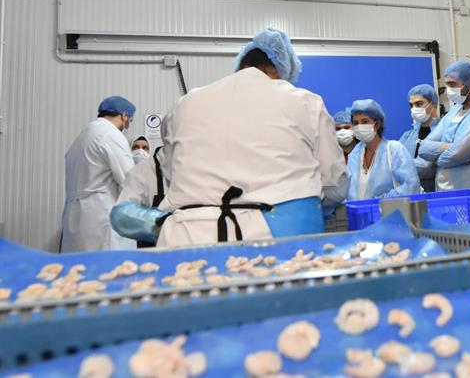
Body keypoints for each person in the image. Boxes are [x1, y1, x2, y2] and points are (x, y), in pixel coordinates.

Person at [111, 28, 349, 247]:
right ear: (279, 71)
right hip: (277, 238)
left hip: (188, 237)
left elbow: (172, 172)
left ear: (241, 65)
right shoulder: (305, 101)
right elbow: (335, 186)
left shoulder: (185, 104)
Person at [60, 96, 137, 252]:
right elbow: (129, 180)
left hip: (75, 218)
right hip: (101, 215)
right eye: (130, 120)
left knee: (81, 264)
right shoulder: (111, 135)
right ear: (124, 116)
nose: (128, 124)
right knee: (109, 265)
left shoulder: (82, 138)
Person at [419, 61, 470, 191]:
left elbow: (458, 154)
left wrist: (436, 161)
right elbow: (423, 149)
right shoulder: (453, 112)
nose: (448, 90)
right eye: (447, 85)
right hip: (444, 192)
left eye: (452, 84)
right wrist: (450, 148)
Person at [346, 99, 420, 200]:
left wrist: (381, 202)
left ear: (377, 124)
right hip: (358, 210)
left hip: (390, 210)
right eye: (355, 123)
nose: (359, 126)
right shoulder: (354, 154)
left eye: (365, 121)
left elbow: (412, 187)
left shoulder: (394, 150)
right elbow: (346, 190)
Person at [115, 145, 168, 248]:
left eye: (145, 147)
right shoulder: (142, 172)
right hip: (153, 249)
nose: (140, 151)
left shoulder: (198, 168)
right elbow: (123, 217)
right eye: (136, 147)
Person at [398, 84, 441, 192]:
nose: (414, 109)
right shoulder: (407, 136)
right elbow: (392, 158)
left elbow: (427, 168)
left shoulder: (443, 132)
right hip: (410, 196)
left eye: (419, 104)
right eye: (411, 105)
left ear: (433, 104)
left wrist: (398, 167)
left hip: (434, 195)